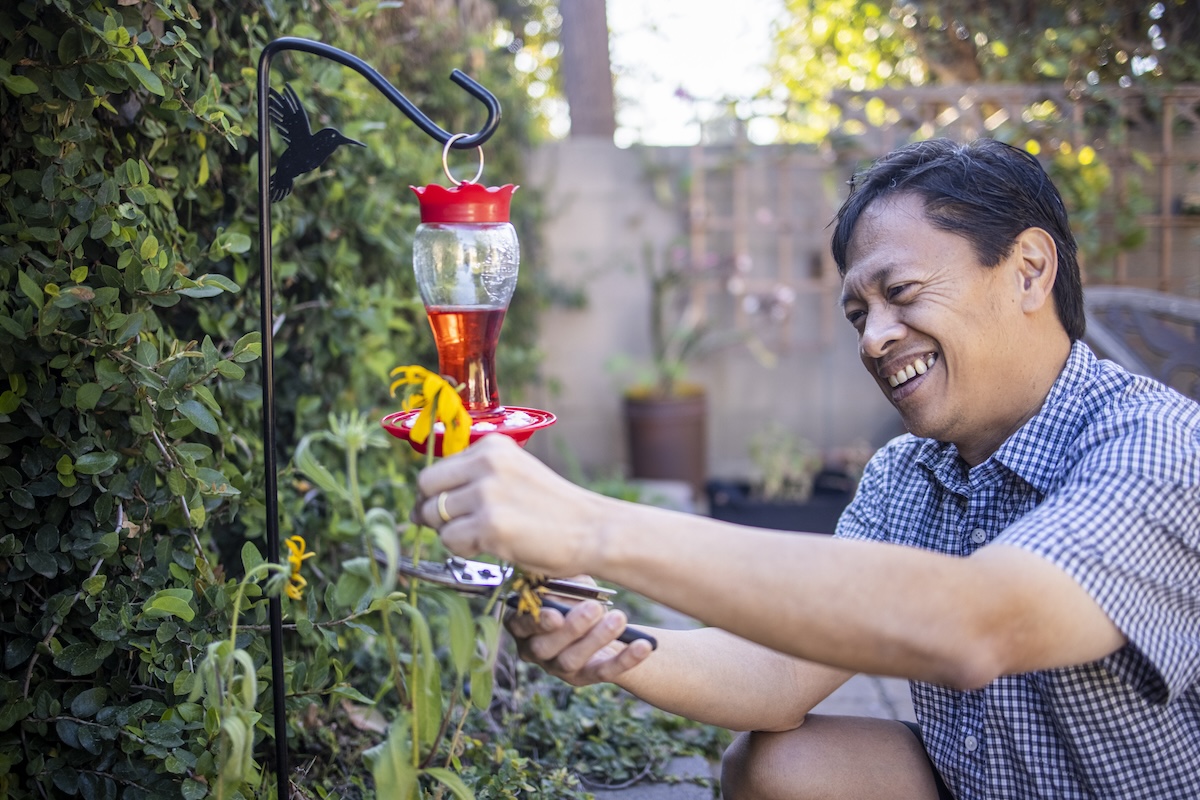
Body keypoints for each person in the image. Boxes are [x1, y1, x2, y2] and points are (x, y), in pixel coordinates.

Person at [413, 138, 1200, 800]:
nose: (873, 338)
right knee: (779, 765)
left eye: (901, 292)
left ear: (1029, 269)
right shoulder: (908, 474)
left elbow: (976, 623)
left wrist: (592, 526)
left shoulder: (1155, 445)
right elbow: (776, 674)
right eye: (860, 314)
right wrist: (610, 640)